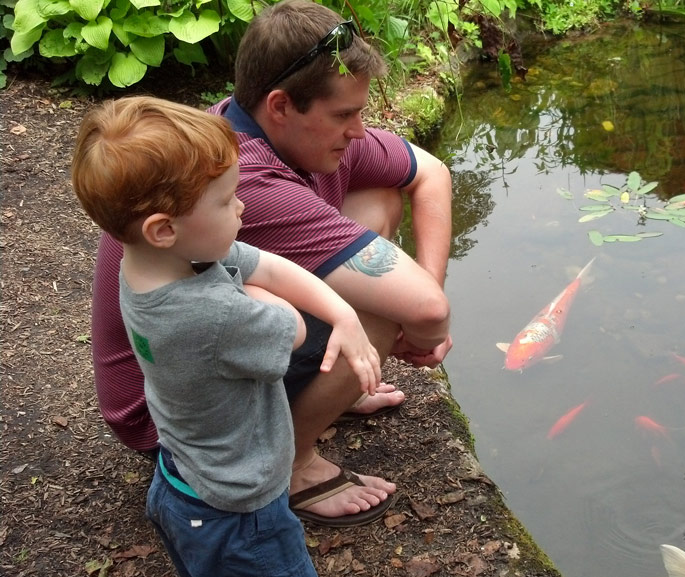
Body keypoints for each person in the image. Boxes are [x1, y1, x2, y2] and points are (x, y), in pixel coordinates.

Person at [89, 0, 453, 526]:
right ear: (280, 105)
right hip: (174, 419)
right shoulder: (237, 184)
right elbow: (426, 309)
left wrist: (425, 289)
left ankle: (327, 391)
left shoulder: (261, 130)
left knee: (379, 199)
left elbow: (431, 171)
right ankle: (294, 466)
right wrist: (418, 330)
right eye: (344, 115)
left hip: (206, 352)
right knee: (377, 312)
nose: (358, 131)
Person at [72, 96, 385, 575]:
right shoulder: (213, 316)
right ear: (163, 229)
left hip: (182, 476)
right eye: (225, 200)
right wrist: (261, 294)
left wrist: (342, 313)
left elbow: (259, 262)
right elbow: (295, 327)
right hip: (240, 513)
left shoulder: (149, 263)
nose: (241, 206)